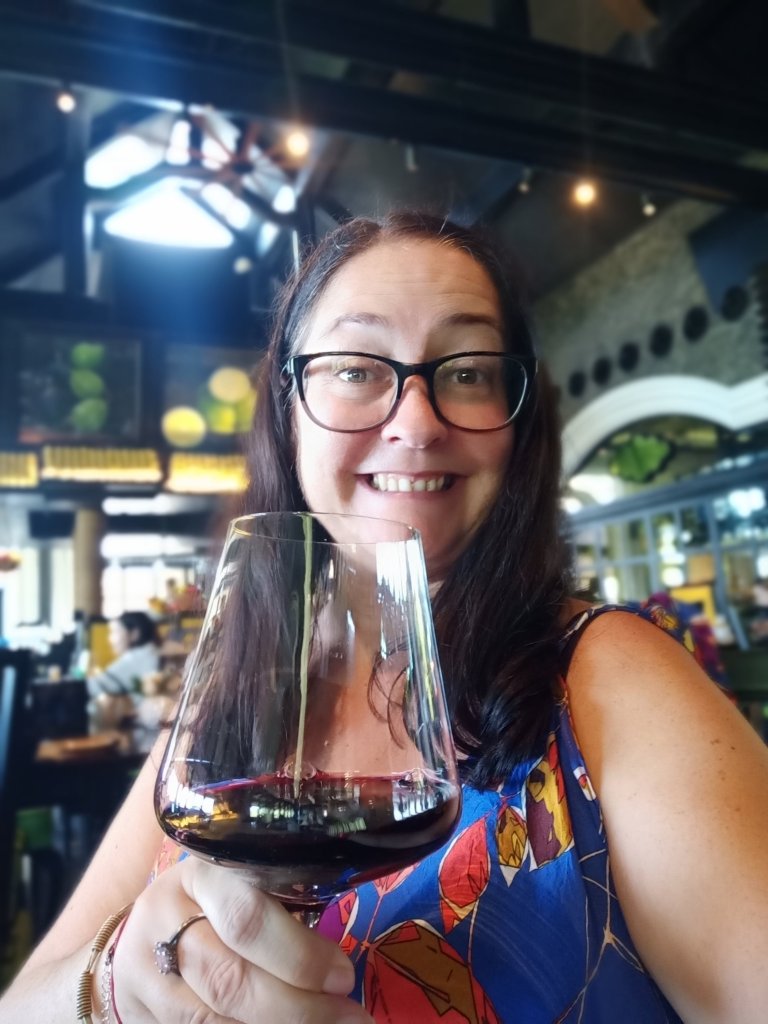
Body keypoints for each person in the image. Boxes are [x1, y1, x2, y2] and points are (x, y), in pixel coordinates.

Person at [2, 212, 767, 1024]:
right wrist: (112, 985)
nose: (417, 422)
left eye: (468, 372)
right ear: (287, 411)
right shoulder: (226, 707)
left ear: (518, 424)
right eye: (356, 368)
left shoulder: (611, 678)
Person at [86, 612, 161, 700]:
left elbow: (92, 687)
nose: (110, 639)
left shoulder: (135, 658)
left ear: (134, 634)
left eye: (115, 632)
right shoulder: (152, 652)